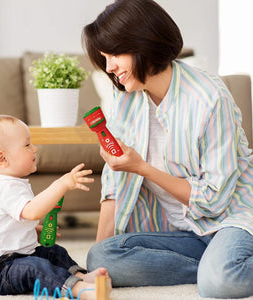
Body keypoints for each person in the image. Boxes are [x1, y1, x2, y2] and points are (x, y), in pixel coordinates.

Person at [82, 0, 253, 298]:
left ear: (143, 43)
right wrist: (93, 268)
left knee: (220, 283)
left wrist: (141, 167)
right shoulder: (125, 96)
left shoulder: (209, 97)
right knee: (101, 257)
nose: (109, 68)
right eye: (104, 58)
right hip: (185, 233)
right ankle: (213, 263)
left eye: (115, 55)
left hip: (232, 218)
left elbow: (214, 199)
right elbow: (114, 183)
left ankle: (218, 266)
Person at [0, 115, 111, 300]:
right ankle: (78, 290)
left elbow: (9, 222)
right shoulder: (3, 187)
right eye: (27, 145)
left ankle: (81, 276)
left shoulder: (9, 183)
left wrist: (29, 230)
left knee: (53, 252)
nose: (34, 148)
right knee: (35, 266)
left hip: (15, 257)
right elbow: (33, 211)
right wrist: (61, 184)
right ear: (2, 158)